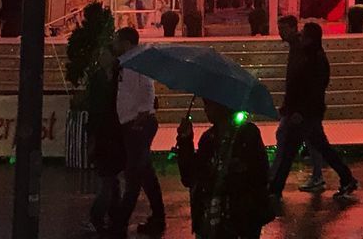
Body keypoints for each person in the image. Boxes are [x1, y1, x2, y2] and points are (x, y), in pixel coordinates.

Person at [177, 98, 273, 239]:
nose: (206, 110)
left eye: (209, 104)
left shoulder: (247, 135)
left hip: (241, 220)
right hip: (211, 220)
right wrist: (185, 140)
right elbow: (190, 177)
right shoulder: (208, 139)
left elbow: (260, 174)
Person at [292, 22, 359, 199]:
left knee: (321, 146)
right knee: (320, 146)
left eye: (304, 34)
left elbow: (313, 88)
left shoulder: (315, 60)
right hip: (311, 110)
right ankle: (341, 177)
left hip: (310, 112)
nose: (301, 37)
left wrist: (302, 110)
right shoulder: (313, 57)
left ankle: (345, 177)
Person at [113, 27, 165, 236]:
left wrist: (143, 113)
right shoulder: (128, 62)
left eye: (117, 41)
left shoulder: (137, 62)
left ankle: (121, 220)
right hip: (133, 122)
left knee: (134, 173)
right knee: (144, 173)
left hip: (138, 123)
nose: (114, 44)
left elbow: (146, 87)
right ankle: (158, 217)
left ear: (126, 43)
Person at [268, 17, 323, 200]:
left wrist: (293, 107)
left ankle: (274, 182)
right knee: (313, 141)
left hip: (301, 107)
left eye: (283, 29)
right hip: (302, 107)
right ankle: (319, 175)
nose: (281, 33)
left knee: (286, 140)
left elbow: (300, 80)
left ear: (293, 28)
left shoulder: (302, 49)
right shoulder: (297, 47)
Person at [85, 46, 123, 235]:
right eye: (100, 54)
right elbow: (93, 107)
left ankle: (111, 215)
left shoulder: (119, 76)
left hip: (114, 132)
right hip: (103, 133)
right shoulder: (98, 79)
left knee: (111, 179)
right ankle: (98, 215)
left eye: (104, 54)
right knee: (108, 179)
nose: (101, 57)